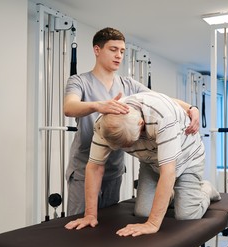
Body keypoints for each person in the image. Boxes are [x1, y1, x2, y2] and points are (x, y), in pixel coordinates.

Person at [64, 27, 200, 216]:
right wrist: (98, 106)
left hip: (114, 168)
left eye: (122, 51)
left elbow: (161, 99)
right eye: (113, 49)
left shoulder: (128, 84)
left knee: (108, 223)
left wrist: (191, 108)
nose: (118, 55)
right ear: (97, 50)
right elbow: (69, 107)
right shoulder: (80, 81)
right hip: (84, 166)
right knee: (82, 222)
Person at [65, 91, 221, 237]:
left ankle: (205, 189)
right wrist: (90, 215)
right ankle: (170, 195)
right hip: (150, 161)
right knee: (142, 213)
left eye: (130, 144)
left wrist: (152, 224)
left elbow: (168, 172)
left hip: (188, 158)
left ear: (141, 124)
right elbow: (95, 167)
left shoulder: (162, 118)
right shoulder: (104, 124)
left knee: (186, 215)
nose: (128, 149)